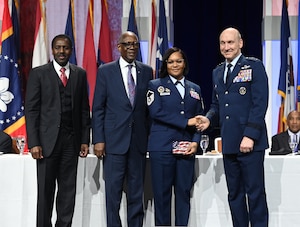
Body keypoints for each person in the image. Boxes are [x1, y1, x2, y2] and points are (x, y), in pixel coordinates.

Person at [197, 27, 269, 227]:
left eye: (230, 42)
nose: (226, 47)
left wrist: (251, 135)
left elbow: (260, 103)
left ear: (240, 43)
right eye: (223, 43)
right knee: (235, 194)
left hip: (250, 143)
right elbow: (217, 105)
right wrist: (209, 119)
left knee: (255, 194)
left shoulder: (254, 67)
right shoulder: (217, 71)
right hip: (229, 143)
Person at [25, 34, 91, 227]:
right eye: (58, 48)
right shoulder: (39, 73)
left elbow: (84, 109)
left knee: (67, 191)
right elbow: (32, 110)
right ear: (52, 50)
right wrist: (34, 142)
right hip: (46, 144)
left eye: (66, 48)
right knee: (45, 192)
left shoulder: (80, 74)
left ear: (71, 50)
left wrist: (85, 139)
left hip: (71, 142)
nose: (62, 52)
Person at [92, 31, 153, 227]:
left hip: (137, 143)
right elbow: (98, 108)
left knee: (137, 193)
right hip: (113, 143)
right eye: (127, 44)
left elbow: (147, 110)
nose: (132, 48)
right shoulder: (105, 71)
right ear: (119, 47)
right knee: (113, 195)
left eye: (135, 44)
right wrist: (98, 139)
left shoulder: (147, 71)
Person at [146, 47, 204, 226]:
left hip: (186, 150)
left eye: (178, 61)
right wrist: (186, 122)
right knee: (162, 197)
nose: (175, 65)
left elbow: (199, 121)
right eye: (170, 62)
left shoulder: (195, 88)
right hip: (162, 148)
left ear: (184, 63)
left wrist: (195, 143)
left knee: (183, 195)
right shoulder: (155, 85)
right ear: (165, 64)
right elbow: (156, 113)